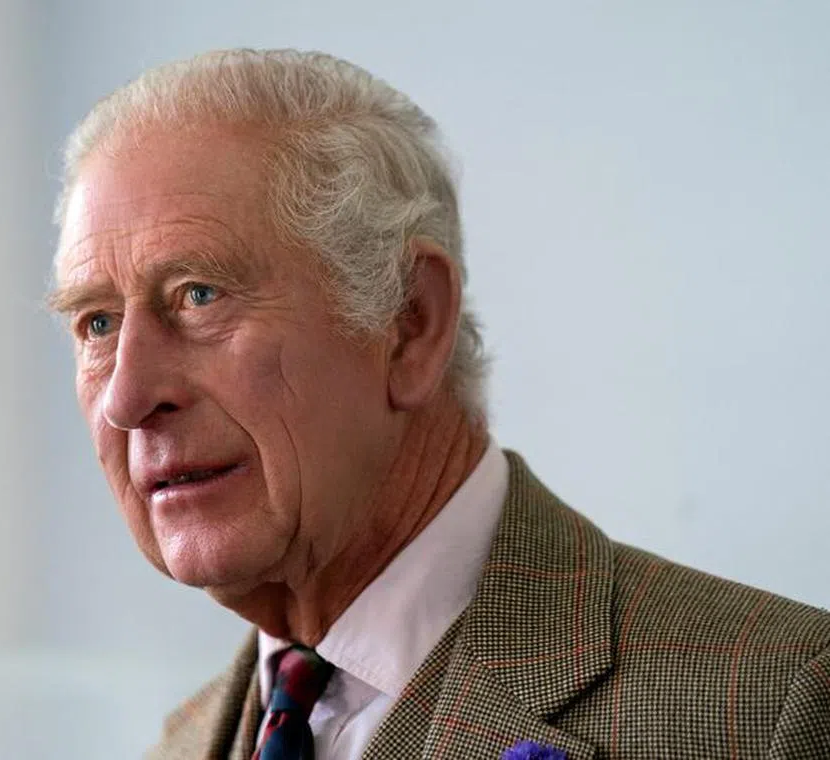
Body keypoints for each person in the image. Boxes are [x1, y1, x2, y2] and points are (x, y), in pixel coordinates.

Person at [48, 48, 830, 760]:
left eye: (198, 295)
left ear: (409, 322)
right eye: (98, 323)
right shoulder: (183, 742)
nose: (127, 395)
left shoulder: (775, 707)